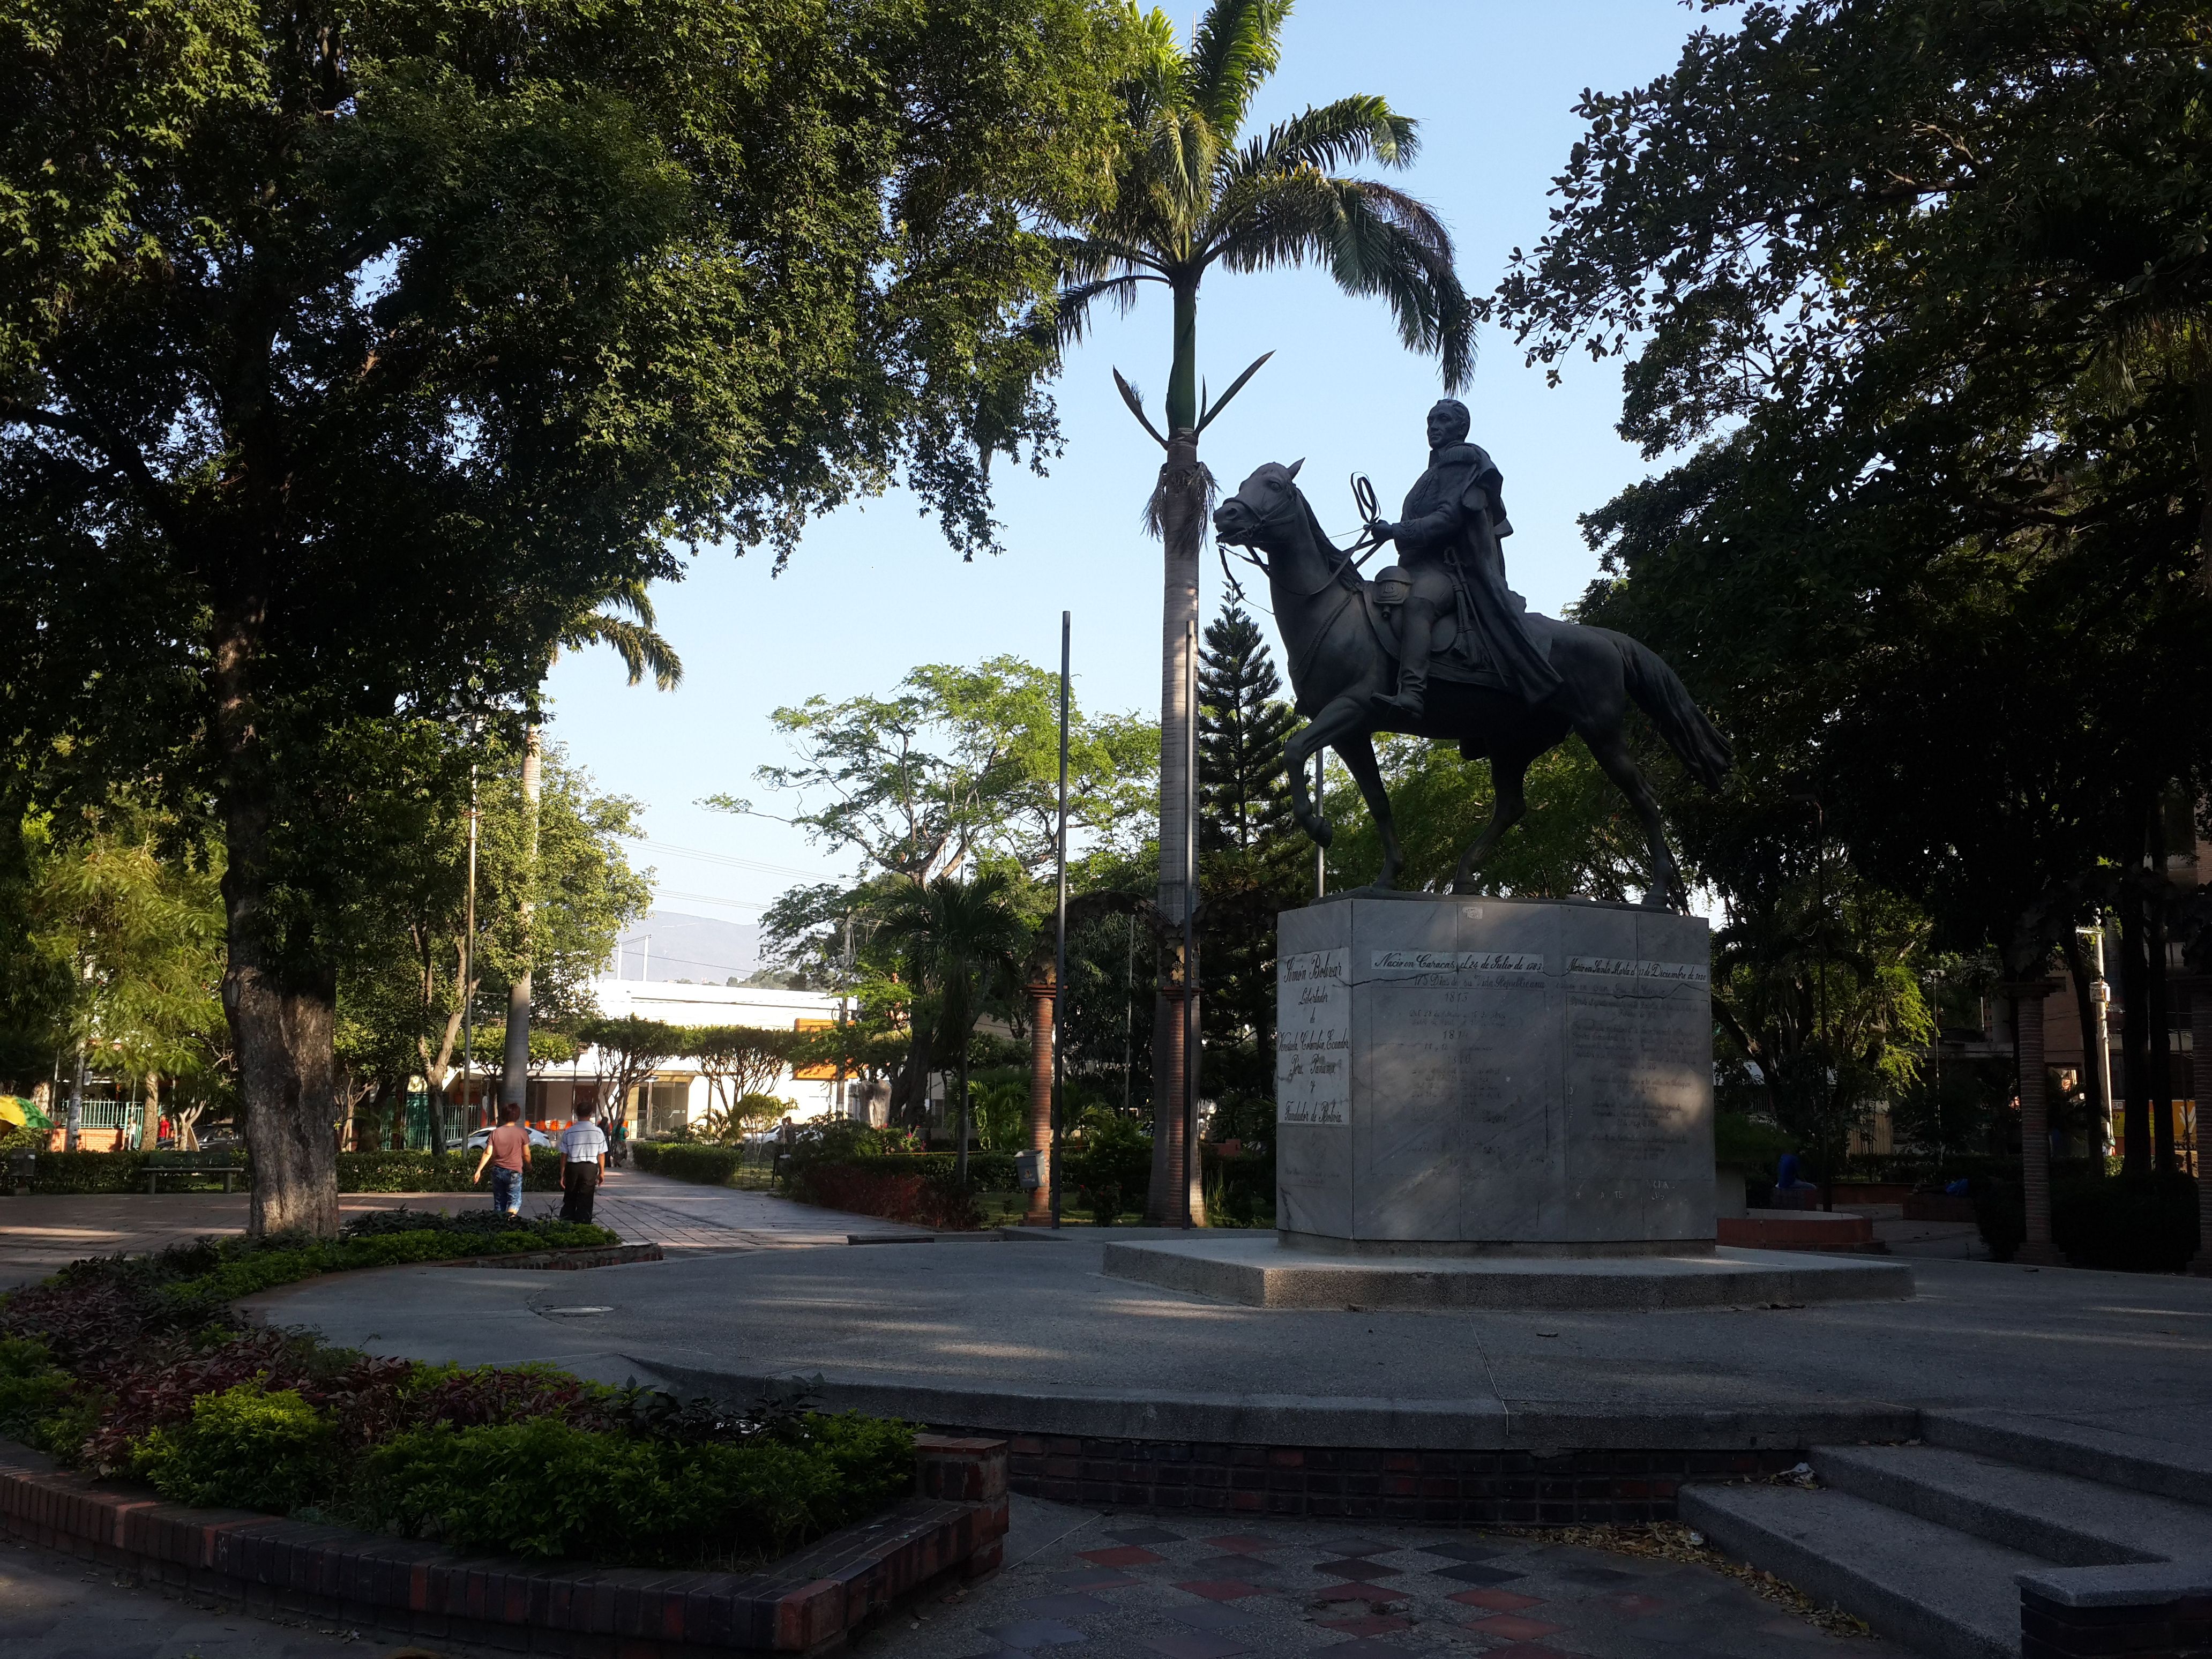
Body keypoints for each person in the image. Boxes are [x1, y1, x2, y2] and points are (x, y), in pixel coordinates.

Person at [1364, 398, 1562, 721]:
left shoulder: (1461, 460)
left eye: (1442, 420)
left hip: (1448, 571)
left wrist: (1395, 530)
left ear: (1461, 427)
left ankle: (1412, 692)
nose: (1433, 427)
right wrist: (1393, 533)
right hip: (1414, 567)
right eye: (1430, 421)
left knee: (1419, 604)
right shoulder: (1433, 471)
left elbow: (1447, 518)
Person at [472, 1101, 530, 1217]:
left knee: (499, 1202)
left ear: (503, 1116)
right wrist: (529, 1165)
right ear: (517, 1117)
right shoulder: (522, 1133)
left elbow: (488, 1153)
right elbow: (527, 1154)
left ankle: (499, 1224)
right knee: (515, 1200)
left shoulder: (495, 1133)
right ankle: (509, 1221)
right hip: (514, 1172)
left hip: (497, 1171)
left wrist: (479, 1171)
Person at [558, 1101, 610, 1225]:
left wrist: (562, 1174)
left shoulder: (569, 1132)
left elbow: (564, 1155)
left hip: (573, 1168)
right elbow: (601, 1154)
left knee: (570, 1198)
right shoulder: (598, 1132)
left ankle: (566, 1225)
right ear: (591, 1114)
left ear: (577, 1113)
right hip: (590, 1169)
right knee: (586, 1199)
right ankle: (584, 1226)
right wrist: (602, 1173)